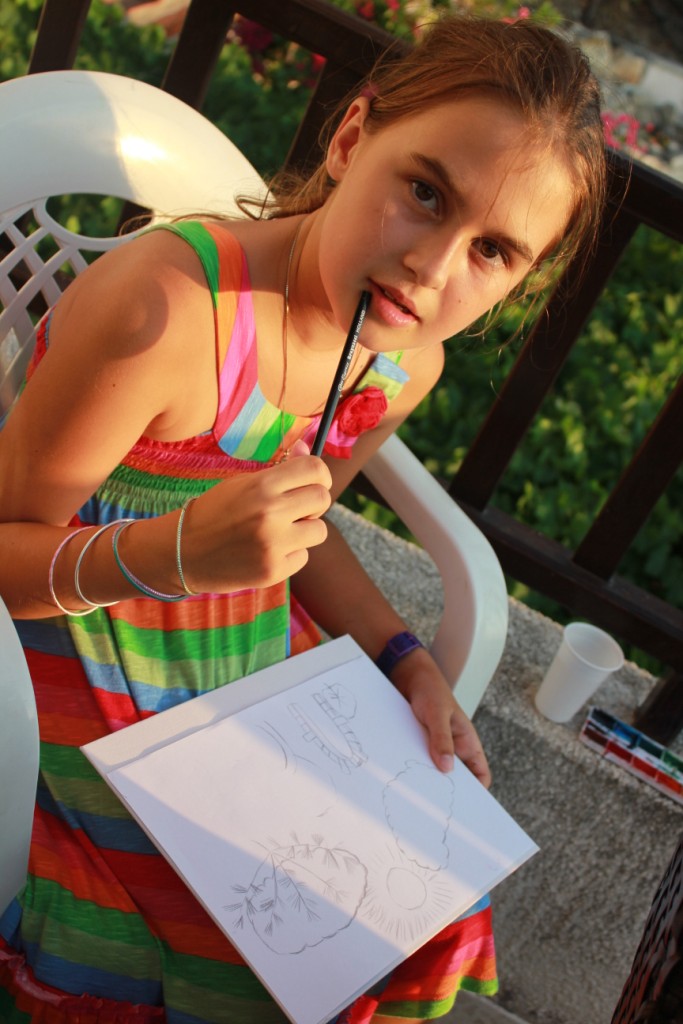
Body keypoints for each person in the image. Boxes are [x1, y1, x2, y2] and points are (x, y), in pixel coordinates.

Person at [0, 12, 606, 1024]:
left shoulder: (399, 364)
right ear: (350, 137)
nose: (431, 267)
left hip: (236, 661)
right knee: (239, 942)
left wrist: (406, 658)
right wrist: (174, 552)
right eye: (425, 192)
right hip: (72, 660)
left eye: (493, 250)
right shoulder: (165, 313)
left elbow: (300, 529)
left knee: (415, 916)